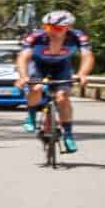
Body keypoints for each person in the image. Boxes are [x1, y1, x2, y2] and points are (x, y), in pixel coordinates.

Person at [17, 9, 94, 150]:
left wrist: (82, 74)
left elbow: (87, 56)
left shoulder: (78, 36)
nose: (51, 31)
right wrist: (23, 76)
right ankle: (31, 117)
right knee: (36, 87)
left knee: (62, 97)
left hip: (62, 66)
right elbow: (23, 57)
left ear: (68, 28)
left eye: (57, 28)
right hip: (38, 64)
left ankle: (69, 135)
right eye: (47, 27)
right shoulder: (35, 36)